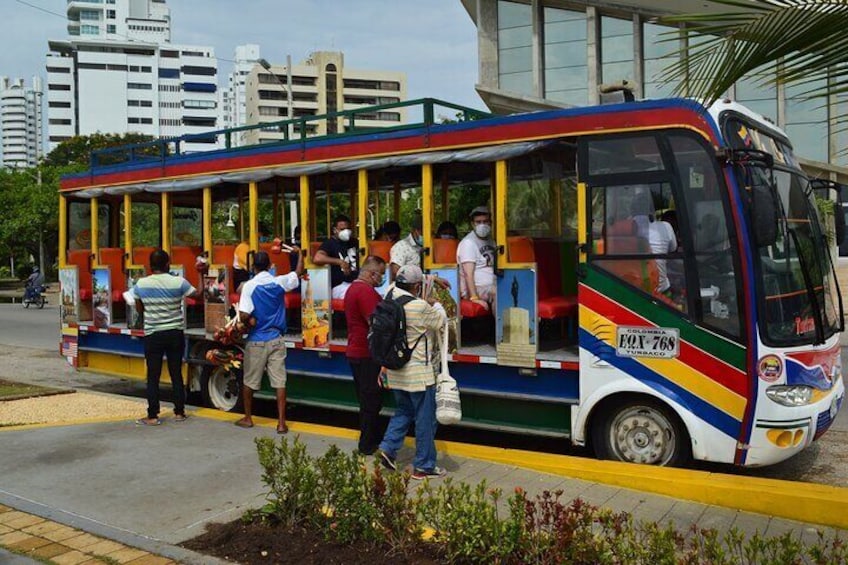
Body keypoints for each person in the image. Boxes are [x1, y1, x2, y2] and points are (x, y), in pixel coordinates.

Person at [378, 265, 448, 480]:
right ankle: (424, 466)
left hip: (395, 369)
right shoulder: (419, 306)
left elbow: (413, 279)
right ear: (417, 287)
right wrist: (435, 303)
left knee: (404, 410)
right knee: (425, 419)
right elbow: (440, 322)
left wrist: (431, 279)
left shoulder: (388, 295)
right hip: (419, 374)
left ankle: (388, 448)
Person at [234, 248, 304, 433]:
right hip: (276, 339)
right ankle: (281, 423)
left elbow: (243, 315)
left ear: (252, 267)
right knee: (280, 382)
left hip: (256, 340)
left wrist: (249, 320)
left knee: (249, 381)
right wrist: (300, 255)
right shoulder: (278, 282)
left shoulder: (249, 286)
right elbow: (297, 273)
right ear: (269, 266)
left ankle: (248, 418)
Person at [134, 249, 199, 426]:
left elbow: (139, 308)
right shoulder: (178, 282)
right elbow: (197, 295)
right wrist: (201, 273)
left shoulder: (141, 284)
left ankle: (153, 416)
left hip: (153, 334)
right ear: (167, 264)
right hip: (174, 332)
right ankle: (179, 412)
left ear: (150, 265)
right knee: (176, 373)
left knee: (153, 376)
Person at [344, 255, 388, 455]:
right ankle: (368, 444)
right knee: (371, 401)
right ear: (372, 274)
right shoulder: (364, 291)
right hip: (366, 353)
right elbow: (376, 322)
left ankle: (370, 440)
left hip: (358, 351)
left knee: (367, 399)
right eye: (382, 275)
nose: (382, 279)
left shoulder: (354, 289)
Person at [457, 206, 497, 310]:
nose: (482, 225)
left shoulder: (491, 240)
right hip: (478, 288)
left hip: (492, 284)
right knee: (499, 293)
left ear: (490, 222)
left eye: (485, 221)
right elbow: (468, 274)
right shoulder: (468, 243)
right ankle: (502, 325)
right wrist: (474, 297)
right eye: (478, 222)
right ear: (472, 224)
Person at [313, 214, 359, 299]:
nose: (346, 232)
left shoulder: (354, 242)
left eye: (348, 229)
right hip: (338, 286)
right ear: (335, 230)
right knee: (356, 294)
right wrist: (339, 261)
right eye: (342, 229)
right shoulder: (330, 243)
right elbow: (317, 258)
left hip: (356, 282)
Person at [389, 214, 424, 278]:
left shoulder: (424, 246)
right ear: (414, 230)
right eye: (422, 231)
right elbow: (395, 271)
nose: (424, 234)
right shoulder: (401, 246)